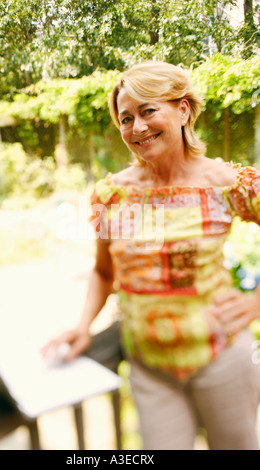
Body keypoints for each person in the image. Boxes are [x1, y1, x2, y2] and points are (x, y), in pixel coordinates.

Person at [42, 61, 260, 450]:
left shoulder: (227, 183)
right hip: (149, 367)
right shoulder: (112, 195)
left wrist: (256, 302)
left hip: (221, 359)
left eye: (148, 110)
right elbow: (103, 273)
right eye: (126, 118)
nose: (137, 128)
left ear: (184, 110)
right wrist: (83, 326)